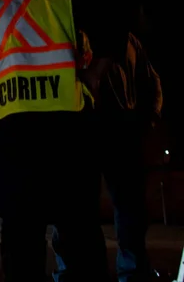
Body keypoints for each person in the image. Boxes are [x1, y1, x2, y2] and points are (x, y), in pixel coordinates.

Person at [0, 0, 132, 282]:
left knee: (19, 235)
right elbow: (117, 13)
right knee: (79, 231)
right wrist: (95, 74)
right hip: (62, 130)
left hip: (0, 140)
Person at [53, 30, 163, 282]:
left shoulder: (124, 38)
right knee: (81, 209)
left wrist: (148, 120)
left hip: (111, 127)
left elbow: (150, 80)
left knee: (120, 210)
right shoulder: (121, 37)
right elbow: (151, 81)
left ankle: (93, 272)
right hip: (93, 127)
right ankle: (109, 272)